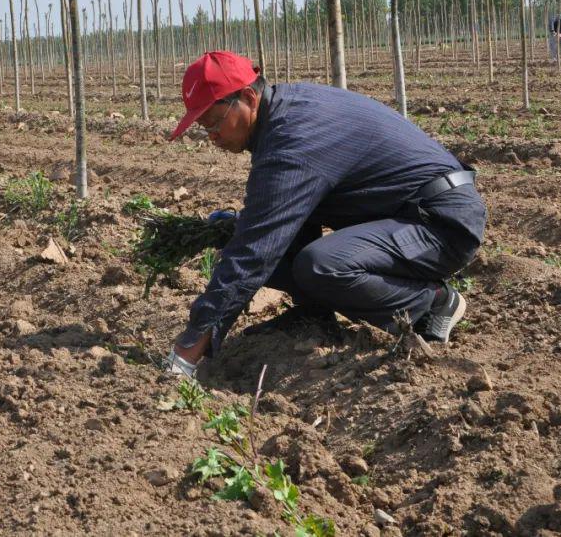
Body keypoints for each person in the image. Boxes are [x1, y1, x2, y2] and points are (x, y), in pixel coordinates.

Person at [164, 51, 486, 378]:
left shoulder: (292, 139)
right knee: (260, 236)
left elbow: (253, 252)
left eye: (214, 123)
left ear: (248, 97)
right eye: (204, 129)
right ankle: (314, 314)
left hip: (440, 223)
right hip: (406, 213)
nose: (213, 136)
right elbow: (271, 227)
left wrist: (187, 352)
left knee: (320, 265)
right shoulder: (282, 116)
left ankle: (431, 302)